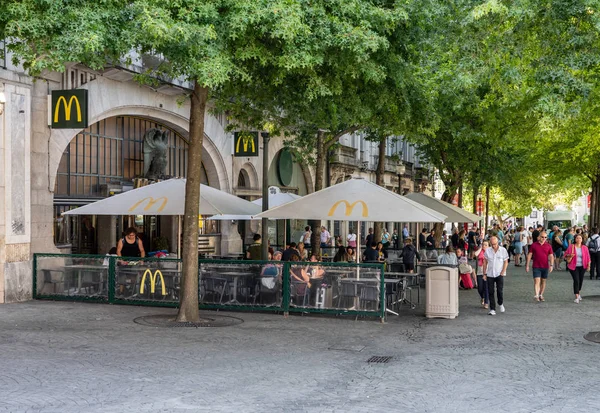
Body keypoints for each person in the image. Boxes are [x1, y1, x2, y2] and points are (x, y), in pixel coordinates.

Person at [483, 236, 509, 316]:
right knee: (490, 291)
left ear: (498, 242)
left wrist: (503, 271)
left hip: (499, 273)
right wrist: (484, 273)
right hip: (490, 273)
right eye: (492, 244)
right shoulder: (488, 251)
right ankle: (492, 309)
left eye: (495, 244)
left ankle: (500, 303)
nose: (494, 245)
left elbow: (506, 262)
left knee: (499, 290)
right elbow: (485, 262)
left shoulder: (503, 250)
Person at [525, 231, 554, 302]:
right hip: (536, 266)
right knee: (536, 281)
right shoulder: (534, 245)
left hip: (545, 266)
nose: (544, 238)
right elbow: (529, 255)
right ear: (539, 237)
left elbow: (551, 256)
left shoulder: (548, 246)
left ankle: (541, 294)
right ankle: (536, 295)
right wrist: (527, 265)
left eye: (545, 237)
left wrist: (551, 265)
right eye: (542, 237)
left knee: (543, 281)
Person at [564, 233, 591, 303]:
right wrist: (570, 255)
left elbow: (588, 258)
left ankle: (578, 292)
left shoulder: (585, 248)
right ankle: (576, 296)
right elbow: (565, 255)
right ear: (575, 239)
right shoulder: (571, 246)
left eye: (580, 238)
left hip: (583, 266)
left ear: (582, 240)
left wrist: (588, 266)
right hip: (573, 266)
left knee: (581, 280)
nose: (579, 239)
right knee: (576, 280)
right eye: (577, 238)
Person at [473, 241, 490, 308]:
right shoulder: (480, 252)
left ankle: (486, 302)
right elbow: (475, 254)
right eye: (483, 245)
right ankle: (482, 297)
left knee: (486, 288)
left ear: (488, 246)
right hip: (479, 272)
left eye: (486, 245)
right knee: (480, 288)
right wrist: (480, 248)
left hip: (487, 272)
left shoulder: (489, 253)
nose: (484, 246)